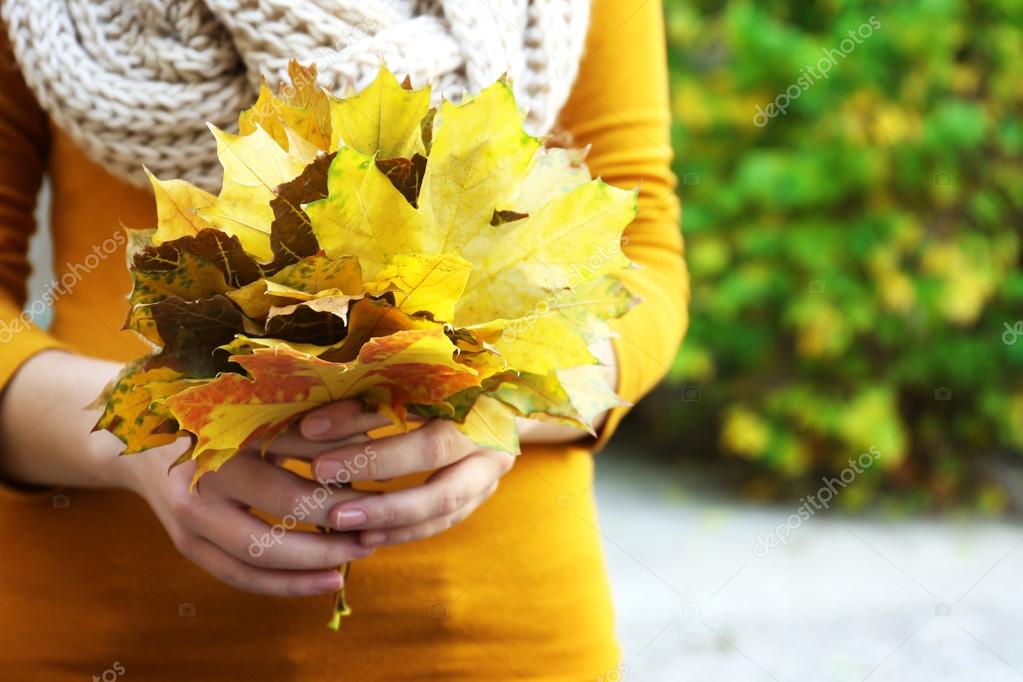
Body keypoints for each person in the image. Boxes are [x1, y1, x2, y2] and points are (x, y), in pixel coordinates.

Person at [0, 0, 687, 678]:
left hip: (491, 640)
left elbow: (639, 261)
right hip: (103, 632)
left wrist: (504, 399)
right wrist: (138, 438)